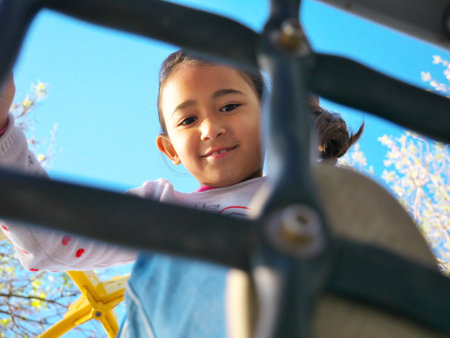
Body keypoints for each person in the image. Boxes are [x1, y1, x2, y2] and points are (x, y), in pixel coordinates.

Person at [0, 50, 363, 337]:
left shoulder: (297, 193)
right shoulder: (163, 208)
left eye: (230, 106)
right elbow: (51, 240)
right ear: (170, 149)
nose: (211, 128)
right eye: (188, 120)